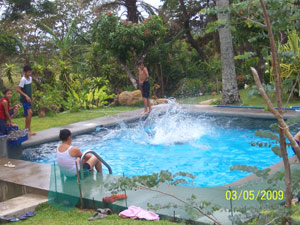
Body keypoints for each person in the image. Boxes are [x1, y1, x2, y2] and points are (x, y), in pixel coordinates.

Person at [17, 65, 36, 136]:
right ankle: (26, 130)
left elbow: (29, 89)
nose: (29, 74)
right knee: (29, 113)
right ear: (25, 72)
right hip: (24, 99)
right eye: (28, 72)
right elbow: (18, 89)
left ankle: (28, 130)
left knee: (29, 114)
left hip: (29, 99)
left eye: (30, 72)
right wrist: (26, 96)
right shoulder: (23, 79)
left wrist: (31, 96)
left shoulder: (30, 78)